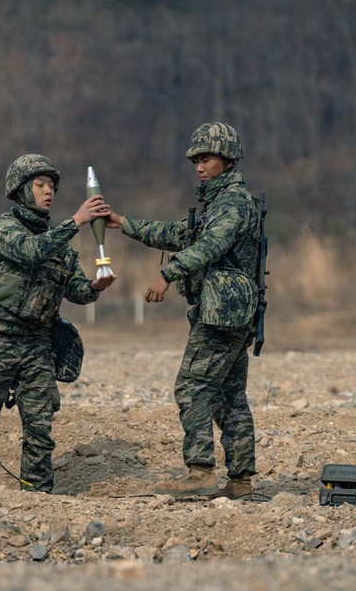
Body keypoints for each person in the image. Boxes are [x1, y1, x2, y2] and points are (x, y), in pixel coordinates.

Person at [106, 122, 260, 499]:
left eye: (206, 158)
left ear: (226, 159)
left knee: (192, 388)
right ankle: (240, 480)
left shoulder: (232, 203)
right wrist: (125, 224)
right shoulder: (220, 203)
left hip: (222, 315)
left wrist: (166, 275)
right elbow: (178, 234)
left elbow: (208, 247)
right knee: (229, 395)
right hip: (232, 314)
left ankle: (201, 472)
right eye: (196, 160)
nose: (199, 166)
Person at [0, 154, 117, 493]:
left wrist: (94, 288)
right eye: (40, 186)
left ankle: (36, 494)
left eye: (51, 186)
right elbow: (29, 251)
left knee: (40, 426)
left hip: (38, 345)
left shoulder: (59, 242)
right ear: (22, 190)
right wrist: (77, 221)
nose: (48, 192)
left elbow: (75, 288)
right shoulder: (3, 228)